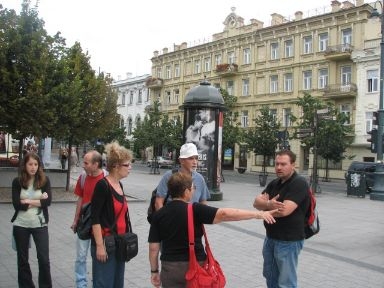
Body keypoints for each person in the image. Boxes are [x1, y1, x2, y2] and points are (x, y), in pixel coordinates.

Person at [148, 172, 278, 287]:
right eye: (193, 188)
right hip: (195, 267)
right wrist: (257, 214)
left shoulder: (158, 214)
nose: (194, 191)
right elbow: (225, 214)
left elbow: (153, 248)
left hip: (170, 269)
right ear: (186, 191)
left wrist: (154, 271)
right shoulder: (195, 209)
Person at [253, 150, 310, 288]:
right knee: (270, 275)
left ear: (293, 165)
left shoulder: (299, 183)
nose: (279, 167)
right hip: (271, 238)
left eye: (283, 164)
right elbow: (256, 203)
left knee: (286, 282)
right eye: (277, 164)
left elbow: (284, 211)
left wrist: (264, 208)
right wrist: (268, 204)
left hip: (288, 241)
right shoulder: (275, 183)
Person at [90, 141, 133, 288]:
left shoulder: (119, 185)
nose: (130, 168)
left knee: (117, 283)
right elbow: (94, 218)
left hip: (119, 243)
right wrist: (99, 246)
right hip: (106, 244)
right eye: (127, 165)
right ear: (115, 166)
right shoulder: (102, 186)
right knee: (104, 283)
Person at [11, 152, 52, 287]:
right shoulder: (17, 182)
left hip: (40, 224)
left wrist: (27, 200)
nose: (33, 167)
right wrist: (38, 200)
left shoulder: (44, 181)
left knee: (44, 259)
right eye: (30, 164)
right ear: (25, 165)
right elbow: (17, 204)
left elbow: (47, 202)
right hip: (21, 225)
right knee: (22, 260)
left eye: (35, 164)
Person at [70, 150, 105, 288]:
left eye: (86, 163)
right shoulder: (83, 177)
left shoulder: (106, 178)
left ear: (96, 164)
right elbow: (80, 199)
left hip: (101, 224)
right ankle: (81, 284)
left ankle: (97, 282)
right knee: (80, 257)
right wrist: (75, 220)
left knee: (99, 256)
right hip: (84, 223)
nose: (83, 165)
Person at [154, 143, 209, 211]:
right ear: (181, 160)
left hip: (192, 221)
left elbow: (203, 203)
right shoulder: (169, 176)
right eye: (191, 158)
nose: (195, 162)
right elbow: (158, 202)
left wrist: (202, 220)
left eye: (196, 158)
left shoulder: (200, 178)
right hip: (172, 219)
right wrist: (164, 220)